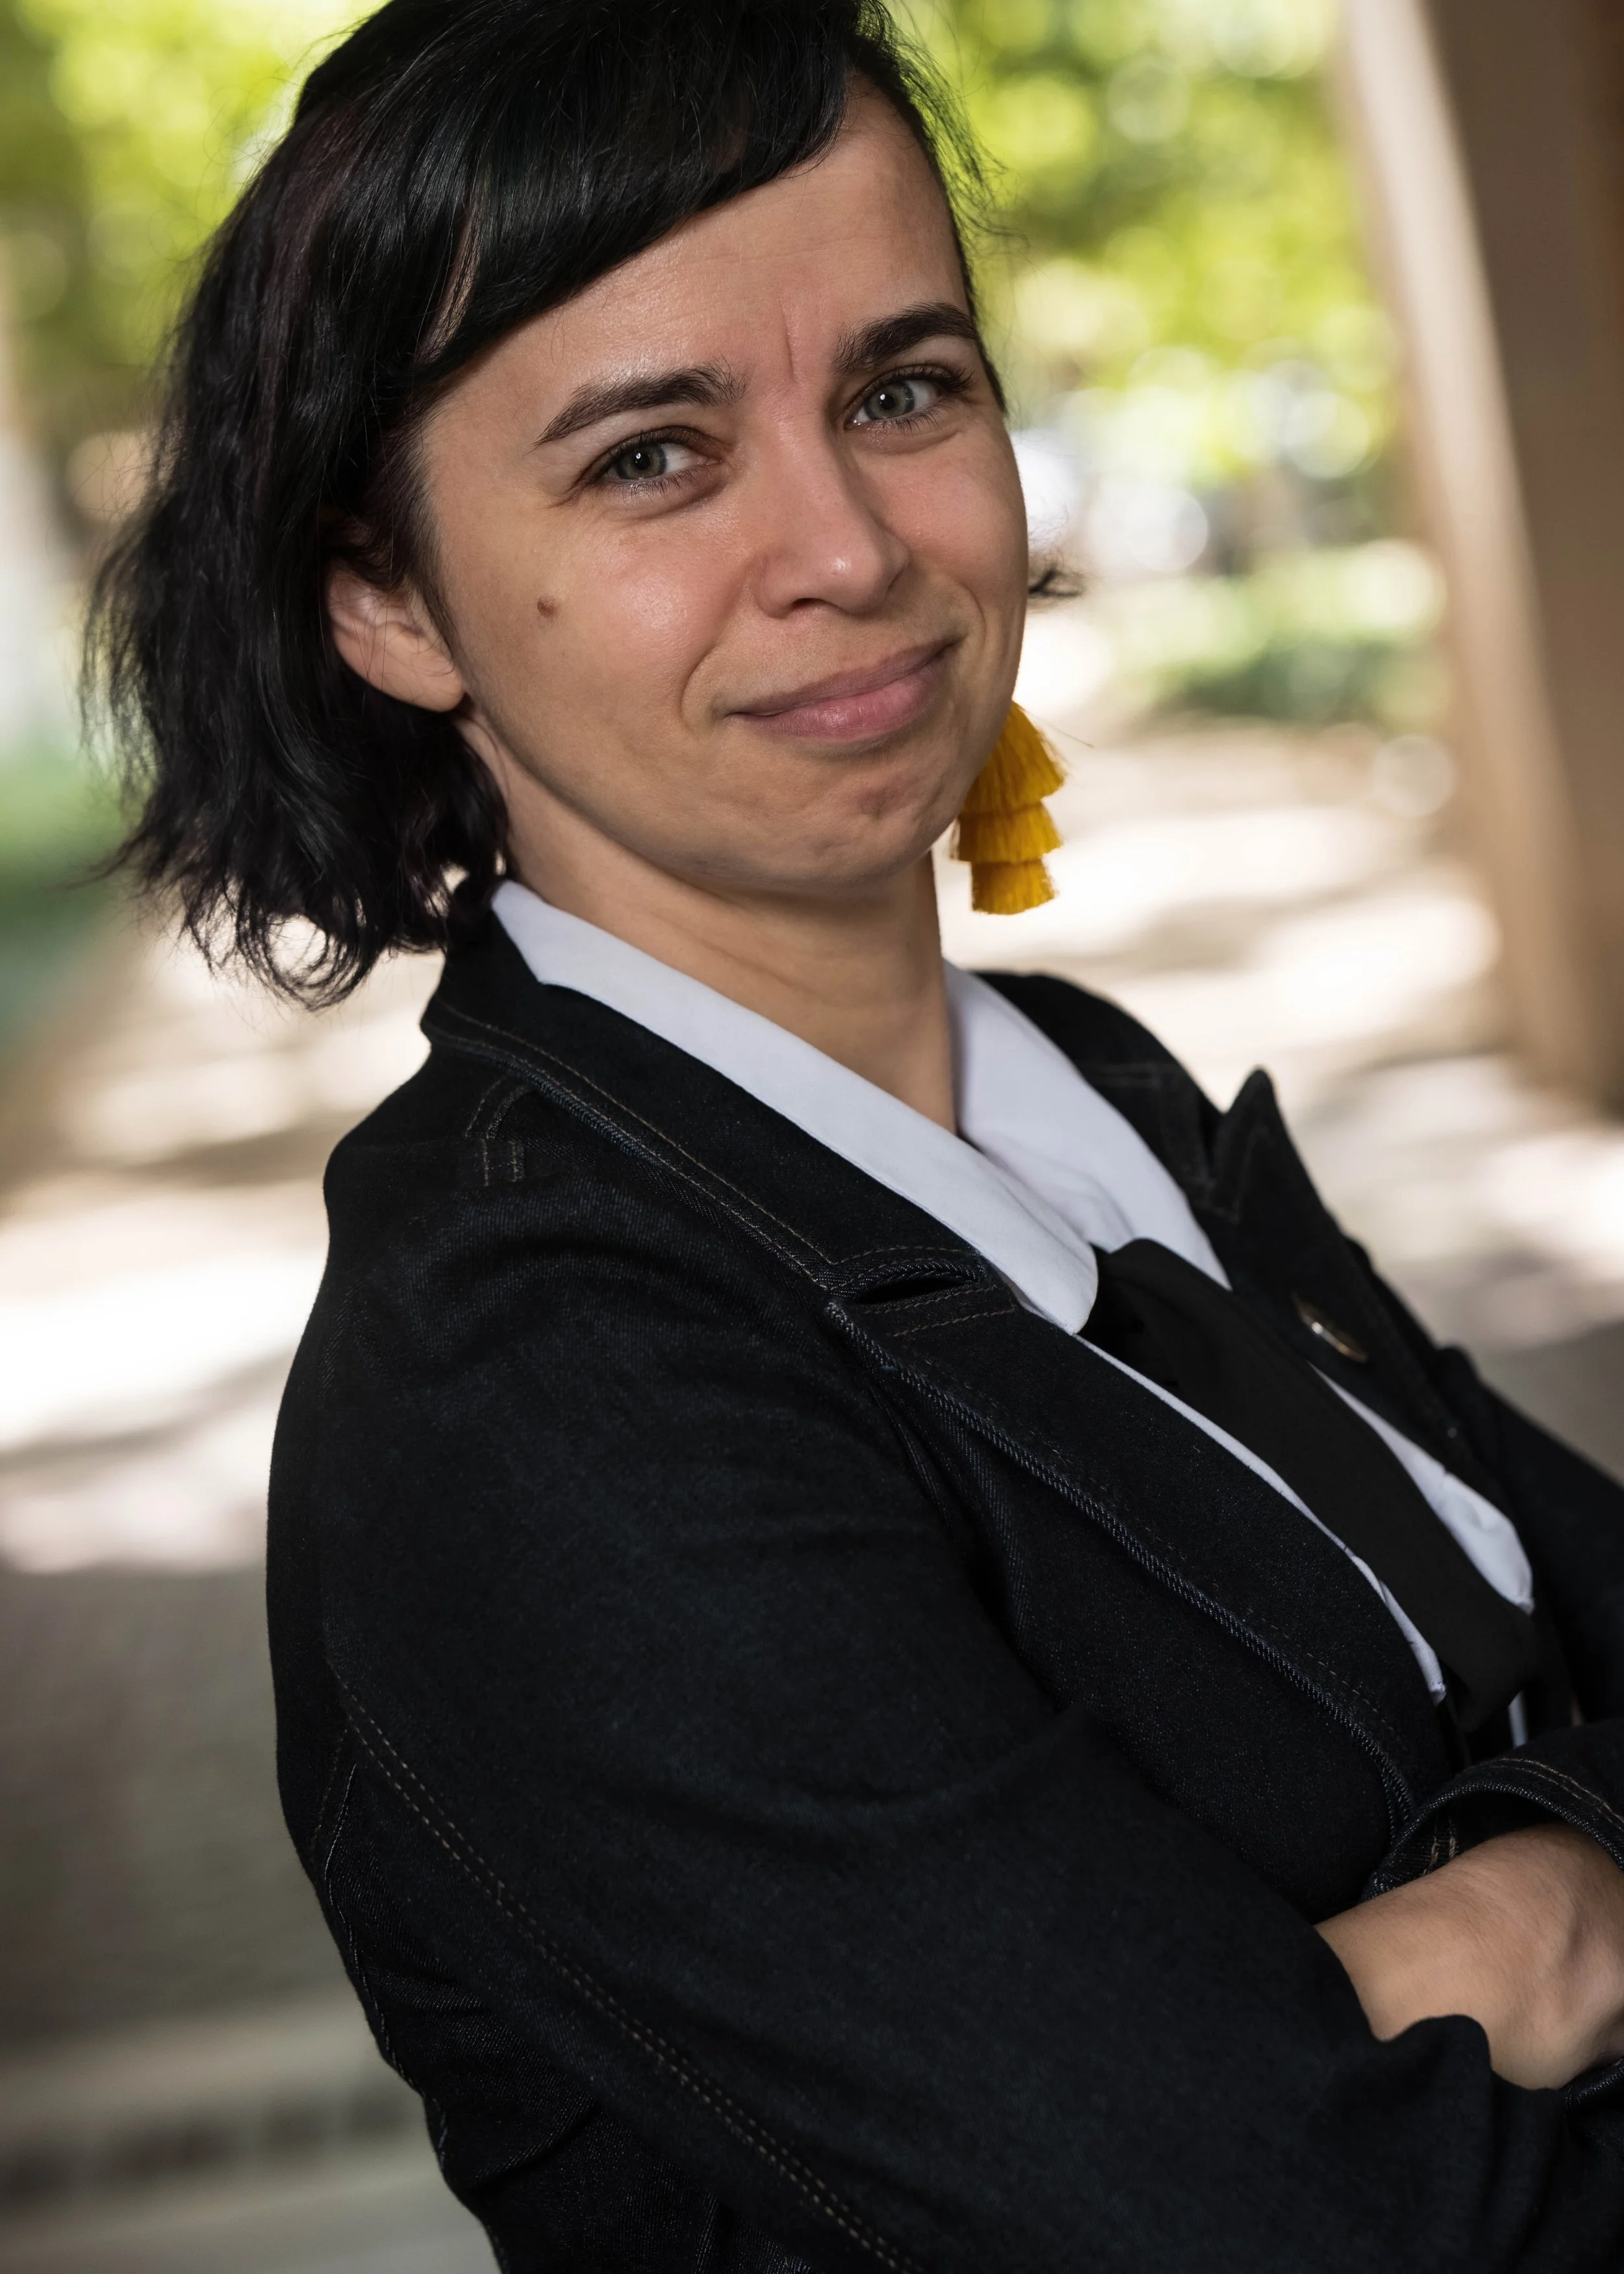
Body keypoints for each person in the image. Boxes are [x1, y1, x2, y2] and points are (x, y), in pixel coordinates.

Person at [88, 0, 1624, 2264]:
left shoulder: (1081, 1084)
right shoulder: (531, 1372)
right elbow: (1293, 2218)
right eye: (652, 456)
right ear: (387, 597)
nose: (845, 545)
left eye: (901, 392)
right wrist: (1522, 1913)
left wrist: (1534, 1914)